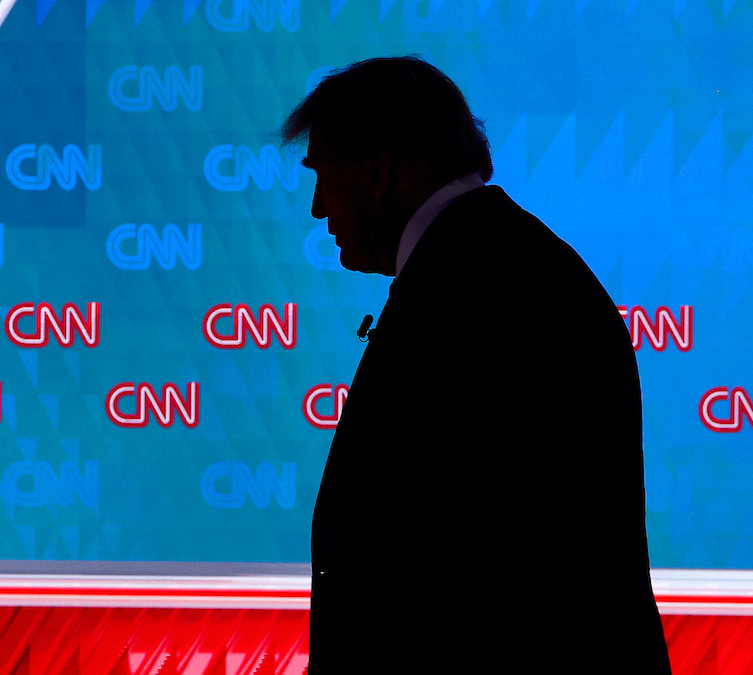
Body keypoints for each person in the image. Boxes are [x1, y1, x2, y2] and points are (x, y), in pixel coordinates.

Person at [281, 56, 671, 673]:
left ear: (376, 171)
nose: (317, 207)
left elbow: (464, 566)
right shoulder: (498, 262)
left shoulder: (472, 287)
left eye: (322, 173)